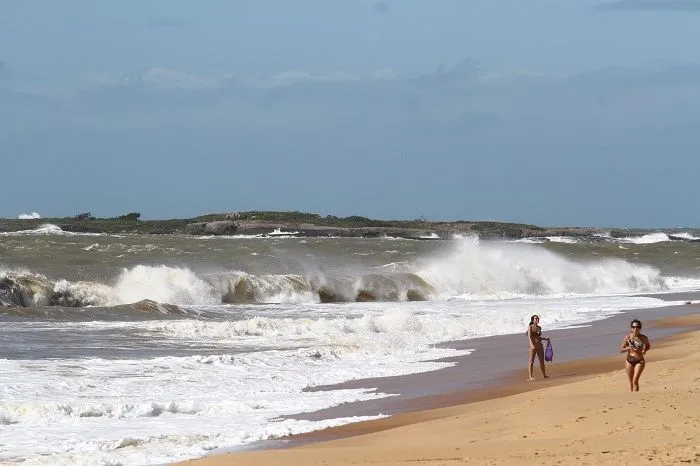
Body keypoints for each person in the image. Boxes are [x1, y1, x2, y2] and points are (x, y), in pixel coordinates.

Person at [620, 319, 651, 392]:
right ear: (631, 328)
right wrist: (628, 348)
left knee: (635, 380)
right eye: (634, 327)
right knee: (631, 382)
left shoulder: (643, 338)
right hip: (629, 361)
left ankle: (636, 398)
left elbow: (648, 346)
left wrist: (644, 350)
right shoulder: (628, 338)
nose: (635, 329)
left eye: (637, 327)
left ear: (640, 328)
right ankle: (632, 397)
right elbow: (621, 350)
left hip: (640, 361)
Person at [527, 314, 550, 380]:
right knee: (531, 361)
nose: (537, 320)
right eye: (535, 318)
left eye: (538, 319)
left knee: (541, 361)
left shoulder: (539, 328)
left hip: (539, 346)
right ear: (533, 320)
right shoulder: (530, 327)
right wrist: (531, 345)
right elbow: (529, 336)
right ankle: (530, 377)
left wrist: (545, 338)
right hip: (532, 346)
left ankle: (544, 374)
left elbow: (538, 337)